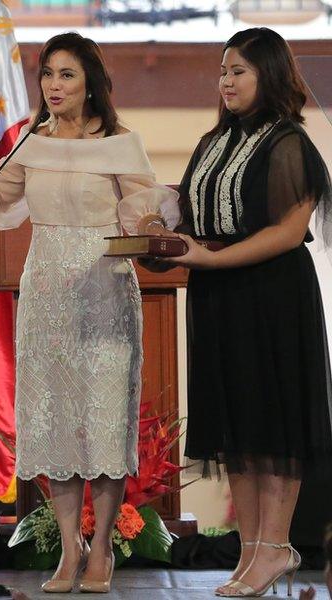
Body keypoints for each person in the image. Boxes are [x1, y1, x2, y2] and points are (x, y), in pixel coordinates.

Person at [0, 32, 179, 594]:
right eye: (48, 74)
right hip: (47, 286)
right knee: (53, 421)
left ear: (91, 83)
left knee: (101, 420)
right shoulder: (31, 142)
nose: (54, 85)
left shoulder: (123, 143)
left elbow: (142, 208)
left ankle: (100, 548)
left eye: (67, 75)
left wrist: (151, 224)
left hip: (104, 285)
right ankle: (68, 550)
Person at [152, 27, 332, 597]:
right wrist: (161, 231)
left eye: (239, 71)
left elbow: (287, 232)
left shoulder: (289, 142)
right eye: (223, 70)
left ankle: (275, 546)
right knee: (238, 428)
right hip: (220, 297)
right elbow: (195, 217)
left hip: (271, 296)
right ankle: (252, 550)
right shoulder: (213, 142)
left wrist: (212, 256)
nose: (225, 81)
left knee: (272, 426)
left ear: (270, 75)